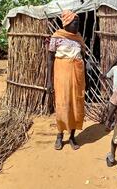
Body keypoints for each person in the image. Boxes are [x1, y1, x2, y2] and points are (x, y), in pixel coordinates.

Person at [47, 10, 86, 151]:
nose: (77, 26)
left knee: (76, 104)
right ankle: (59, 135)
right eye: (75, 23)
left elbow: (84, 58)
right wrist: (49, 81)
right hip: (62, 74)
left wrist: (84, 77)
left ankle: (72, 136)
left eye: (78, 23)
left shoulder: (78, 38)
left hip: (77, 75)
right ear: (67, 23)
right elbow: (50, 58)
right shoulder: (57, 37)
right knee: (63, 103)